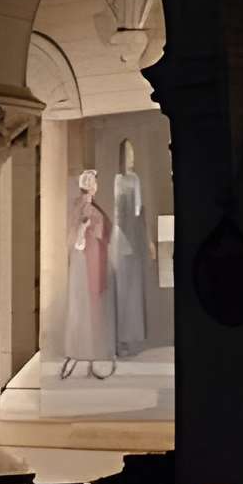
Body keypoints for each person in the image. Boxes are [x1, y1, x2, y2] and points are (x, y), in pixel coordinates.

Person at [59, 170, 116, 376]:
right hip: (85, 262)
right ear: (90, 185)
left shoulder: (88, 207)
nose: (96, 186)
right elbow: (77, 238)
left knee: (87, 304)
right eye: (94, 182)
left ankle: (88, 350)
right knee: (83, 304)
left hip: (92, 260)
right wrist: (83, 234)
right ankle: (82, 350)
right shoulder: (85, 208)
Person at [111, 138, 148, 359]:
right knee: (121, 287)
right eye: (128, 154)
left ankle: (129, 337)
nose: (131, 159)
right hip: (121, 235)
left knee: (132, 289)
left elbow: (138, 209)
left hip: (131, 234)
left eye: (132, 154)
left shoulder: (135, 179)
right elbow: (119, 210)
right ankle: (120, 339)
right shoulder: (119, 179)